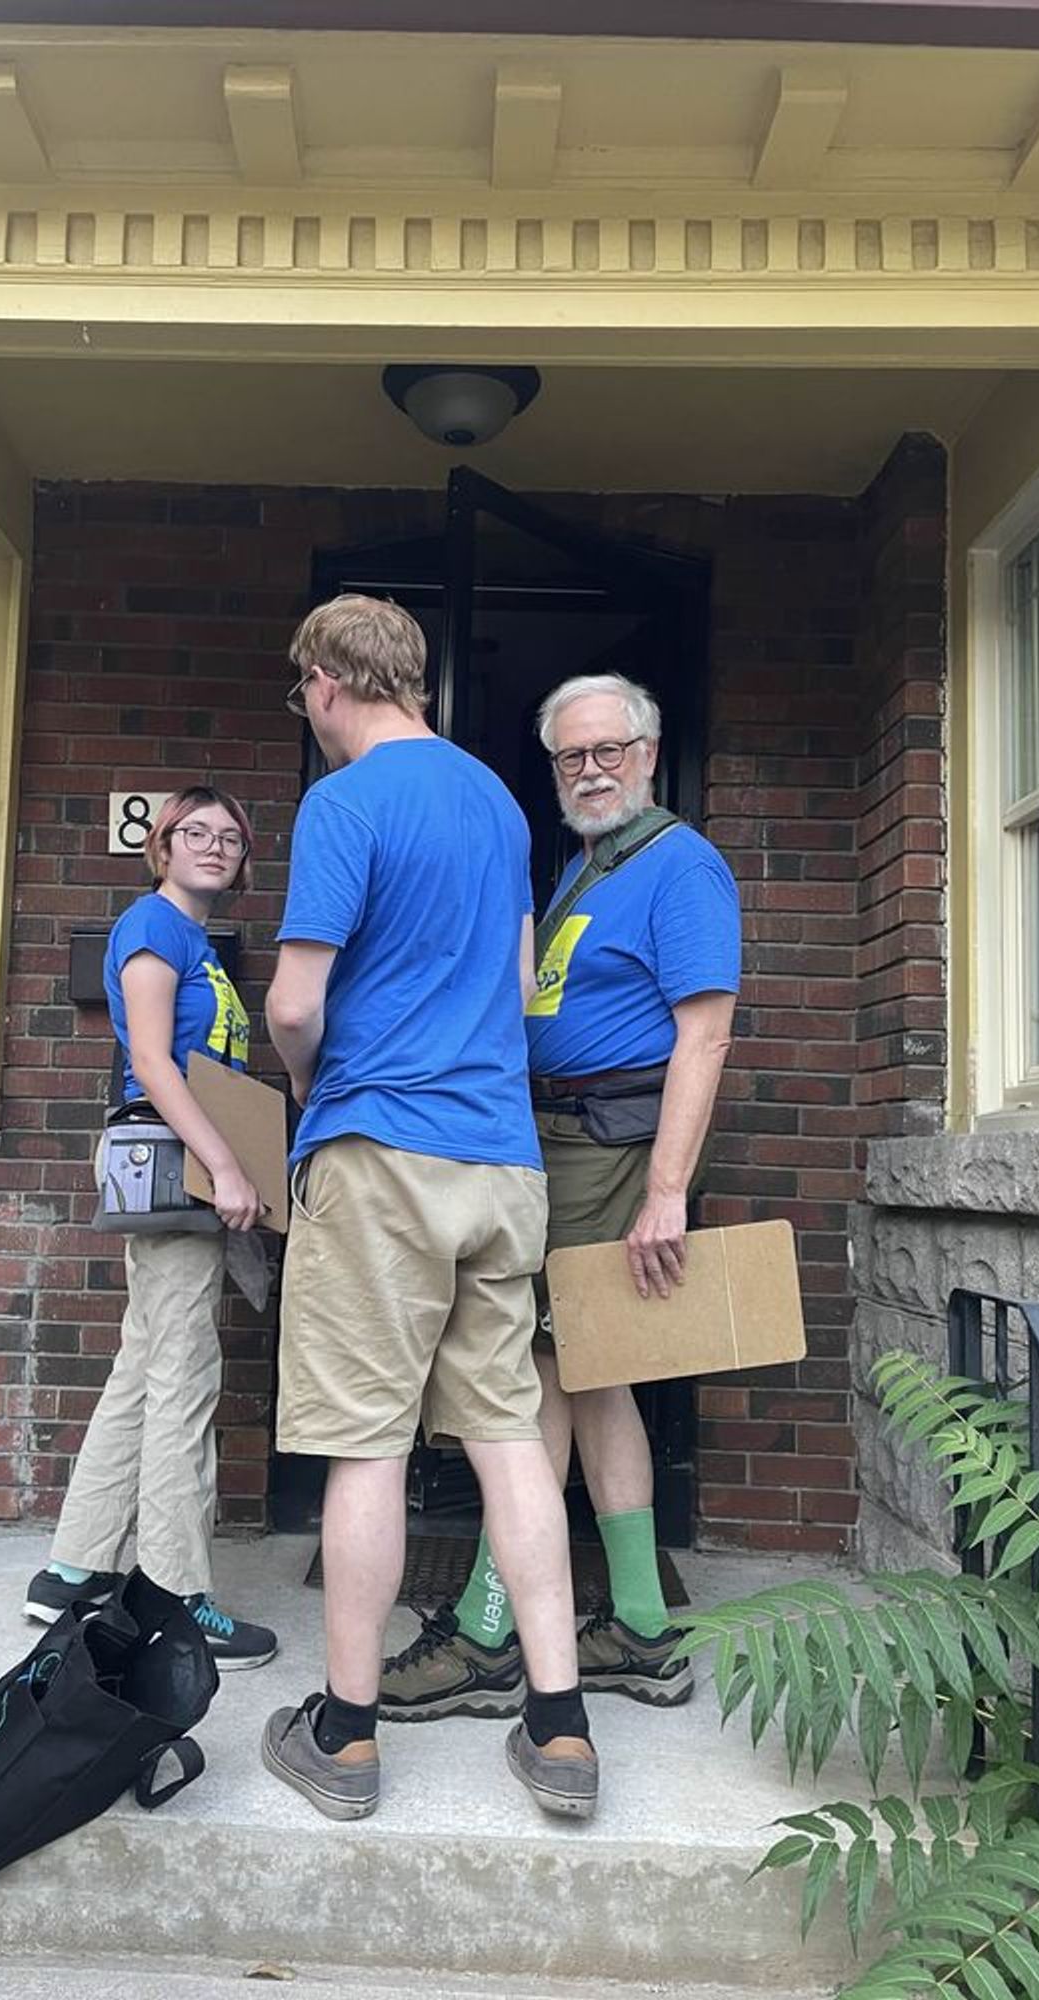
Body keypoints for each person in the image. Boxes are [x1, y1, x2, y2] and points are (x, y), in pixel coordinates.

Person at [259, 595, 595, 1823]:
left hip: (381, 1150)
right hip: (502, 1161)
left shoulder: (344, 803)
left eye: (301, 691)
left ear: (326, 679)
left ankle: (344, 1736)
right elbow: (511, 984)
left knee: (367, 1443)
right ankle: (558, 1725)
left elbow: (295, 1004)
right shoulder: (500, 803)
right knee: (511, 1433)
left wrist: (311, 1091)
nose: (304, 712)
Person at [378, 672, 739, 1720]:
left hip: (612, 1146)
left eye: (608, 750)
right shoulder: (587, 867)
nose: (590, 770)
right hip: (559, 1138)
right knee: (597, 1373)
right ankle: (639, 1622)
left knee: (531, 1372)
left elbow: (704, 1033)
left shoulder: (681, 865)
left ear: (649, 751)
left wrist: (665, 1191)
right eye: (570, 756)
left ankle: (491, 1625)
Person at [23, 785, 278, 1672]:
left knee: (145, 1361)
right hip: (175, 1165)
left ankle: (72, 1567)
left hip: (187, 1162)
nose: (214, 846)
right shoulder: (153, 927)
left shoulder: (195, 941)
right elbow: (152, 1066)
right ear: (160, 847)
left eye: (230, 837)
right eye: (194, 833)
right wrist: (230, 1166)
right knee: (182, 1375)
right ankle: (175, 1595)